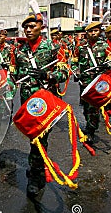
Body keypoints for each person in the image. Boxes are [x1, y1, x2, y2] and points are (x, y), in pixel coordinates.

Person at [12, 10, 69, 197]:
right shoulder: (19, 51)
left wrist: (48, 75)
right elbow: (15, 75)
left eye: (32, 26)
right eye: (25, 27)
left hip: (46, 103)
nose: (28, 30)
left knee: (39, 139)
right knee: (33, 138)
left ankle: (36, 177)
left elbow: (66, 73)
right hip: (28, 102)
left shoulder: (52, 48)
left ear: (41, 27)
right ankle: (37, 165)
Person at [71, 21, 111, 144]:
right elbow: (74, 62)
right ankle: (89, 123)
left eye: (95, 31)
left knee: (94, 107)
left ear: (99, 31)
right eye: (90, 31)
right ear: (87, 33)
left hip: (99, 82)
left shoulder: (105, 46)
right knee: (86, 107)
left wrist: (106, 66)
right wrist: (77, 72)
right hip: (85, 82)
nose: (93, 33)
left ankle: (91, 130)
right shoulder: (80, 47)